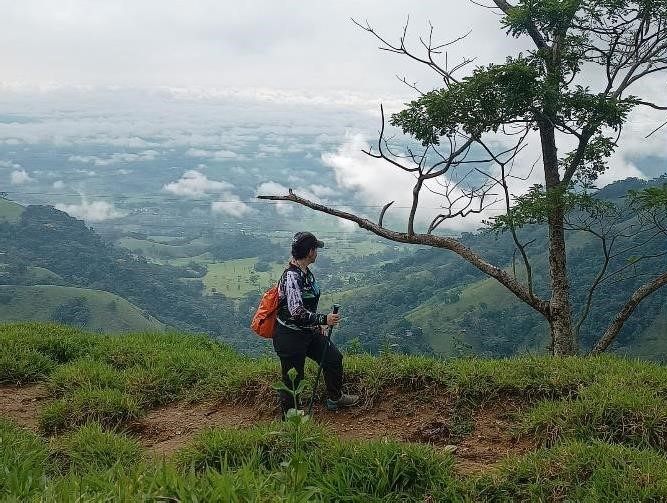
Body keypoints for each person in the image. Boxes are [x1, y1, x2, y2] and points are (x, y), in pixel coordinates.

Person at [273, 231, 359, 416]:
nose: (317, 252)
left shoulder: (305, 272)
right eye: (315, 249)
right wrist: (323, 319)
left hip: (308, 331)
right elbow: (296, 311)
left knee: (333, 358)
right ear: (310, 252)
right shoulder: (292, 276)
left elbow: (307, 306)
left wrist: (317, 325)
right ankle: (291, 419)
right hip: (289, 335)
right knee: (293, 379)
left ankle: (335, 398)